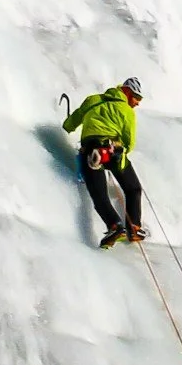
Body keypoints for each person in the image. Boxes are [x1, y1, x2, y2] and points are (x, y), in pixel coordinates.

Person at [63, 77, 146, 248]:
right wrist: (120, 149)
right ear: (127, 92)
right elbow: (129, 143)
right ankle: (134, 228)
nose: (137, 103)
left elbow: (71, 123)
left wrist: (68, 125)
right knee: (133, 189)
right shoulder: (126, 111)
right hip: (113, 152)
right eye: (137, 97)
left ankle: (115, 225)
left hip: (90, 149)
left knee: (99, 195)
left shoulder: (93, 100)